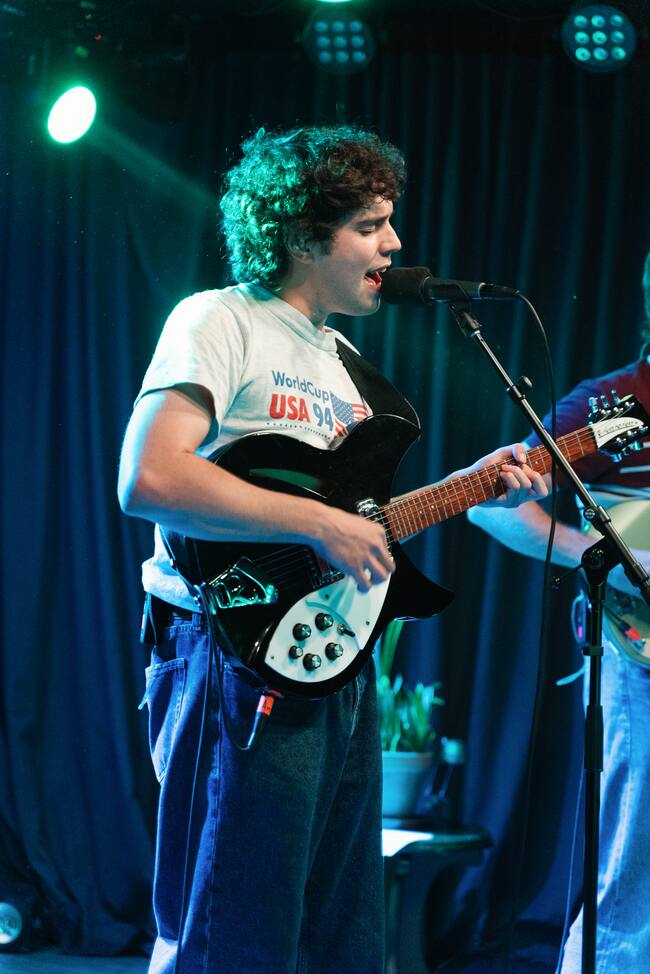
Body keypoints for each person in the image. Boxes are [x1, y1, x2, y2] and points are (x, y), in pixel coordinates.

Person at [118, 124, 548, 974]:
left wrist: (470, 480)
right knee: (233, 925)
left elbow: (355, 514)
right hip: (229, 653)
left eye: (390, 222)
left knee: (342, 932)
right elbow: (151, 480)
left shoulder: (347, 364)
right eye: (369, 225)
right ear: (305, 235)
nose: (393, 244)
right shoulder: (220, 318)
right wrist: (317, 525)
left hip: (331, 655)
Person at [467, 252, 650, 974]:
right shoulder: (614, 407)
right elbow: (489, 501)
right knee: (632, 879)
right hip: (638, 664)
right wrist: (608, 558)